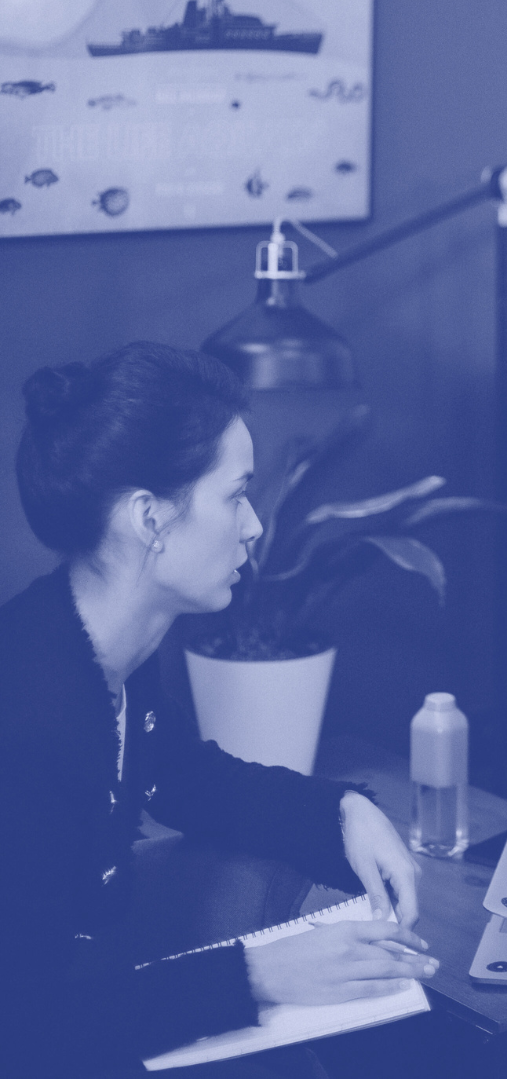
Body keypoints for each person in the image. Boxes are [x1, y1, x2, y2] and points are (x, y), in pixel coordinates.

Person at [0, 341, 438, 1078]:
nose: (254, 525)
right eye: (235, 495)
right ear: (150, 518)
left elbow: (187, 778)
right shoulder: (26, 720)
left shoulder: (105, 649)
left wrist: (343, 811)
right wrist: (259, 973)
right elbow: (23, 1029)